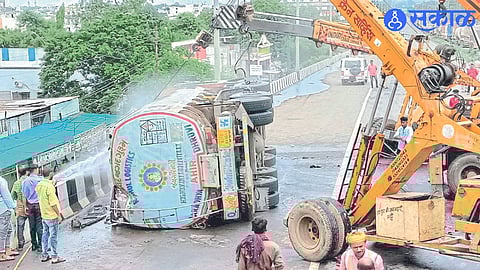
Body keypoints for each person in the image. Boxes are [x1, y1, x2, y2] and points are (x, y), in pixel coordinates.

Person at [36, 167, 65, 264]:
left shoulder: (40, 185)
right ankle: (55, 257)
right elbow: (53, 203)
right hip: (52, 216)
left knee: (45, 235)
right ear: (50, 174)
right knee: (53, 236)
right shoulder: (49, 187)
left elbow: (45, 191)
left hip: (44, 215)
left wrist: (54, 182)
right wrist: (59, 215)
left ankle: (44, 255)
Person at [22, 165, 43, 252]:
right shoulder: (39, 180)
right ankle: (41, 245)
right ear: (35, 170)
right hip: (38, 204)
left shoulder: (25, 181)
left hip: (30, 205)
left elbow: (24, 195)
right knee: (39, 225)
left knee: (32, 226)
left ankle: (34, 244)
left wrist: (25, 206)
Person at [11, 166, 30, 251]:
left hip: (20, 206)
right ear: (26, 172)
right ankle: (36, 243)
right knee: (34, 224)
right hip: (31, 204)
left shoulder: (16, 183)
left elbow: (13, 196)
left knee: (20, 226)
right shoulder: (30, 181)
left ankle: (21, 244)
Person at [0, 176, 19, 262]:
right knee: (3, 233)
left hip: (3, 210)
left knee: (8, 230)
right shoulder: (1, 180)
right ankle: (2, 254)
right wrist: (14, 207)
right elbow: (6, 195)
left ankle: (7, 250)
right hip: (3, 209)